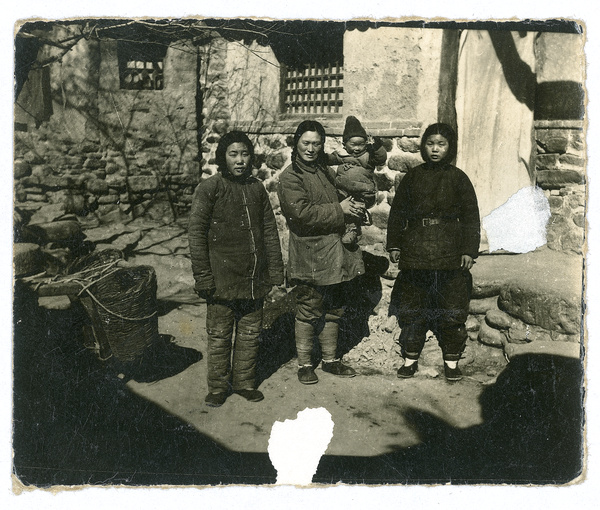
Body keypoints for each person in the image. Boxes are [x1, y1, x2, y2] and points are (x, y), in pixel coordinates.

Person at [188, 131, 284, 407]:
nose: (240, 161)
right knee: (219, 334)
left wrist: (275, 270)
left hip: (254, 277)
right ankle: (218, 387)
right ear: (223, 158)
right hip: (221, 278)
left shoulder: (256, 188)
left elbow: (269, 231)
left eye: (244, 154)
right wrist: (203, 276)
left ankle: (244, 382)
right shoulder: (210, 189)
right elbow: (196, 234)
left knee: (250, 332)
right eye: (233, 154)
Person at [387, 123, 480, 382]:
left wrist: (468, 251)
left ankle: (451, 362)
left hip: (449, 252)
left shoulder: (458, 178)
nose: (435, 149)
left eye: (442, 144)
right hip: (416, 251)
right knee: (414, 309)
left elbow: (471, 217)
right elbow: (398, 213)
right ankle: (410, 360)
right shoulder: (413, 177)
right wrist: (395, 244)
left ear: (450, 148)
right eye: (430, 144)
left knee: (451, 309)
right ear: (423, 146)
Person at [278, 120, 365, 385]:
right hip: (311, 253)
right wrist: (341, 210)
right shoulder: (290, 176)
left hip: (335, 253)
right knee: (309, 308)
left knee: (334, 307)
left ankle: (330, 360)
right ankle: (305, 364)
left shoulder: (325, 171)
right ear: (296, 143)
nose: (311, 148)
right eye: (306, 143)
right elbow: (301, 214)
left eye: (317, 143)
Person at [327, 115, 388, 247]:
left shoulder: (368, 156)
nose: (357, 148)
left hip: (363, 192)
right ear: (344, 144)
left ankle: (353, 230)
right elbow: (328, 160)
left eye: (361, 144)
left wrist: (377, 146)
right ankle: (350, 224)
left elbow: (381, 158)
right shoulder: (341, 155)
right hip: (344, 190)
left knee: (354, 208)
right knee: (340, 203)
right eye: (353, 144)